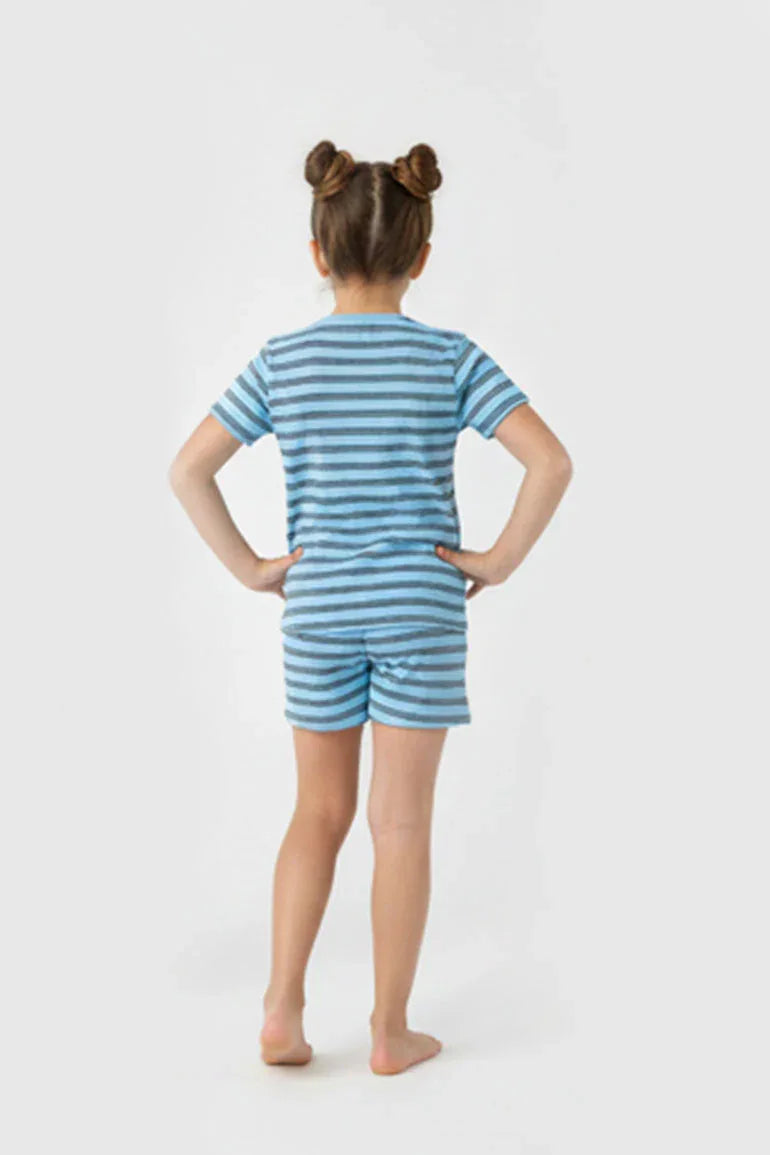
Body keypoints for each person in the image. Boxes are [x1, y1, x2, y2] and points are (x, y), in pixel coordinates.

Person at [168, 140, 573, 1077]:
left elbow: (189, 469)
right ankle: (390, 1032)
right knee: (400, 825)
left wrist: (253, 568)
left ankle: (281, 1009)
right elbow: (550, 462)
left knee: (316, 811)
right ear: (421, 257)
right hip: (420, 609)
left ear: (318, 251)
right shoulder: (450, 358)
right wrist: (497, 561)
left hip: (317, 608)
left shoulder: (284, 362)